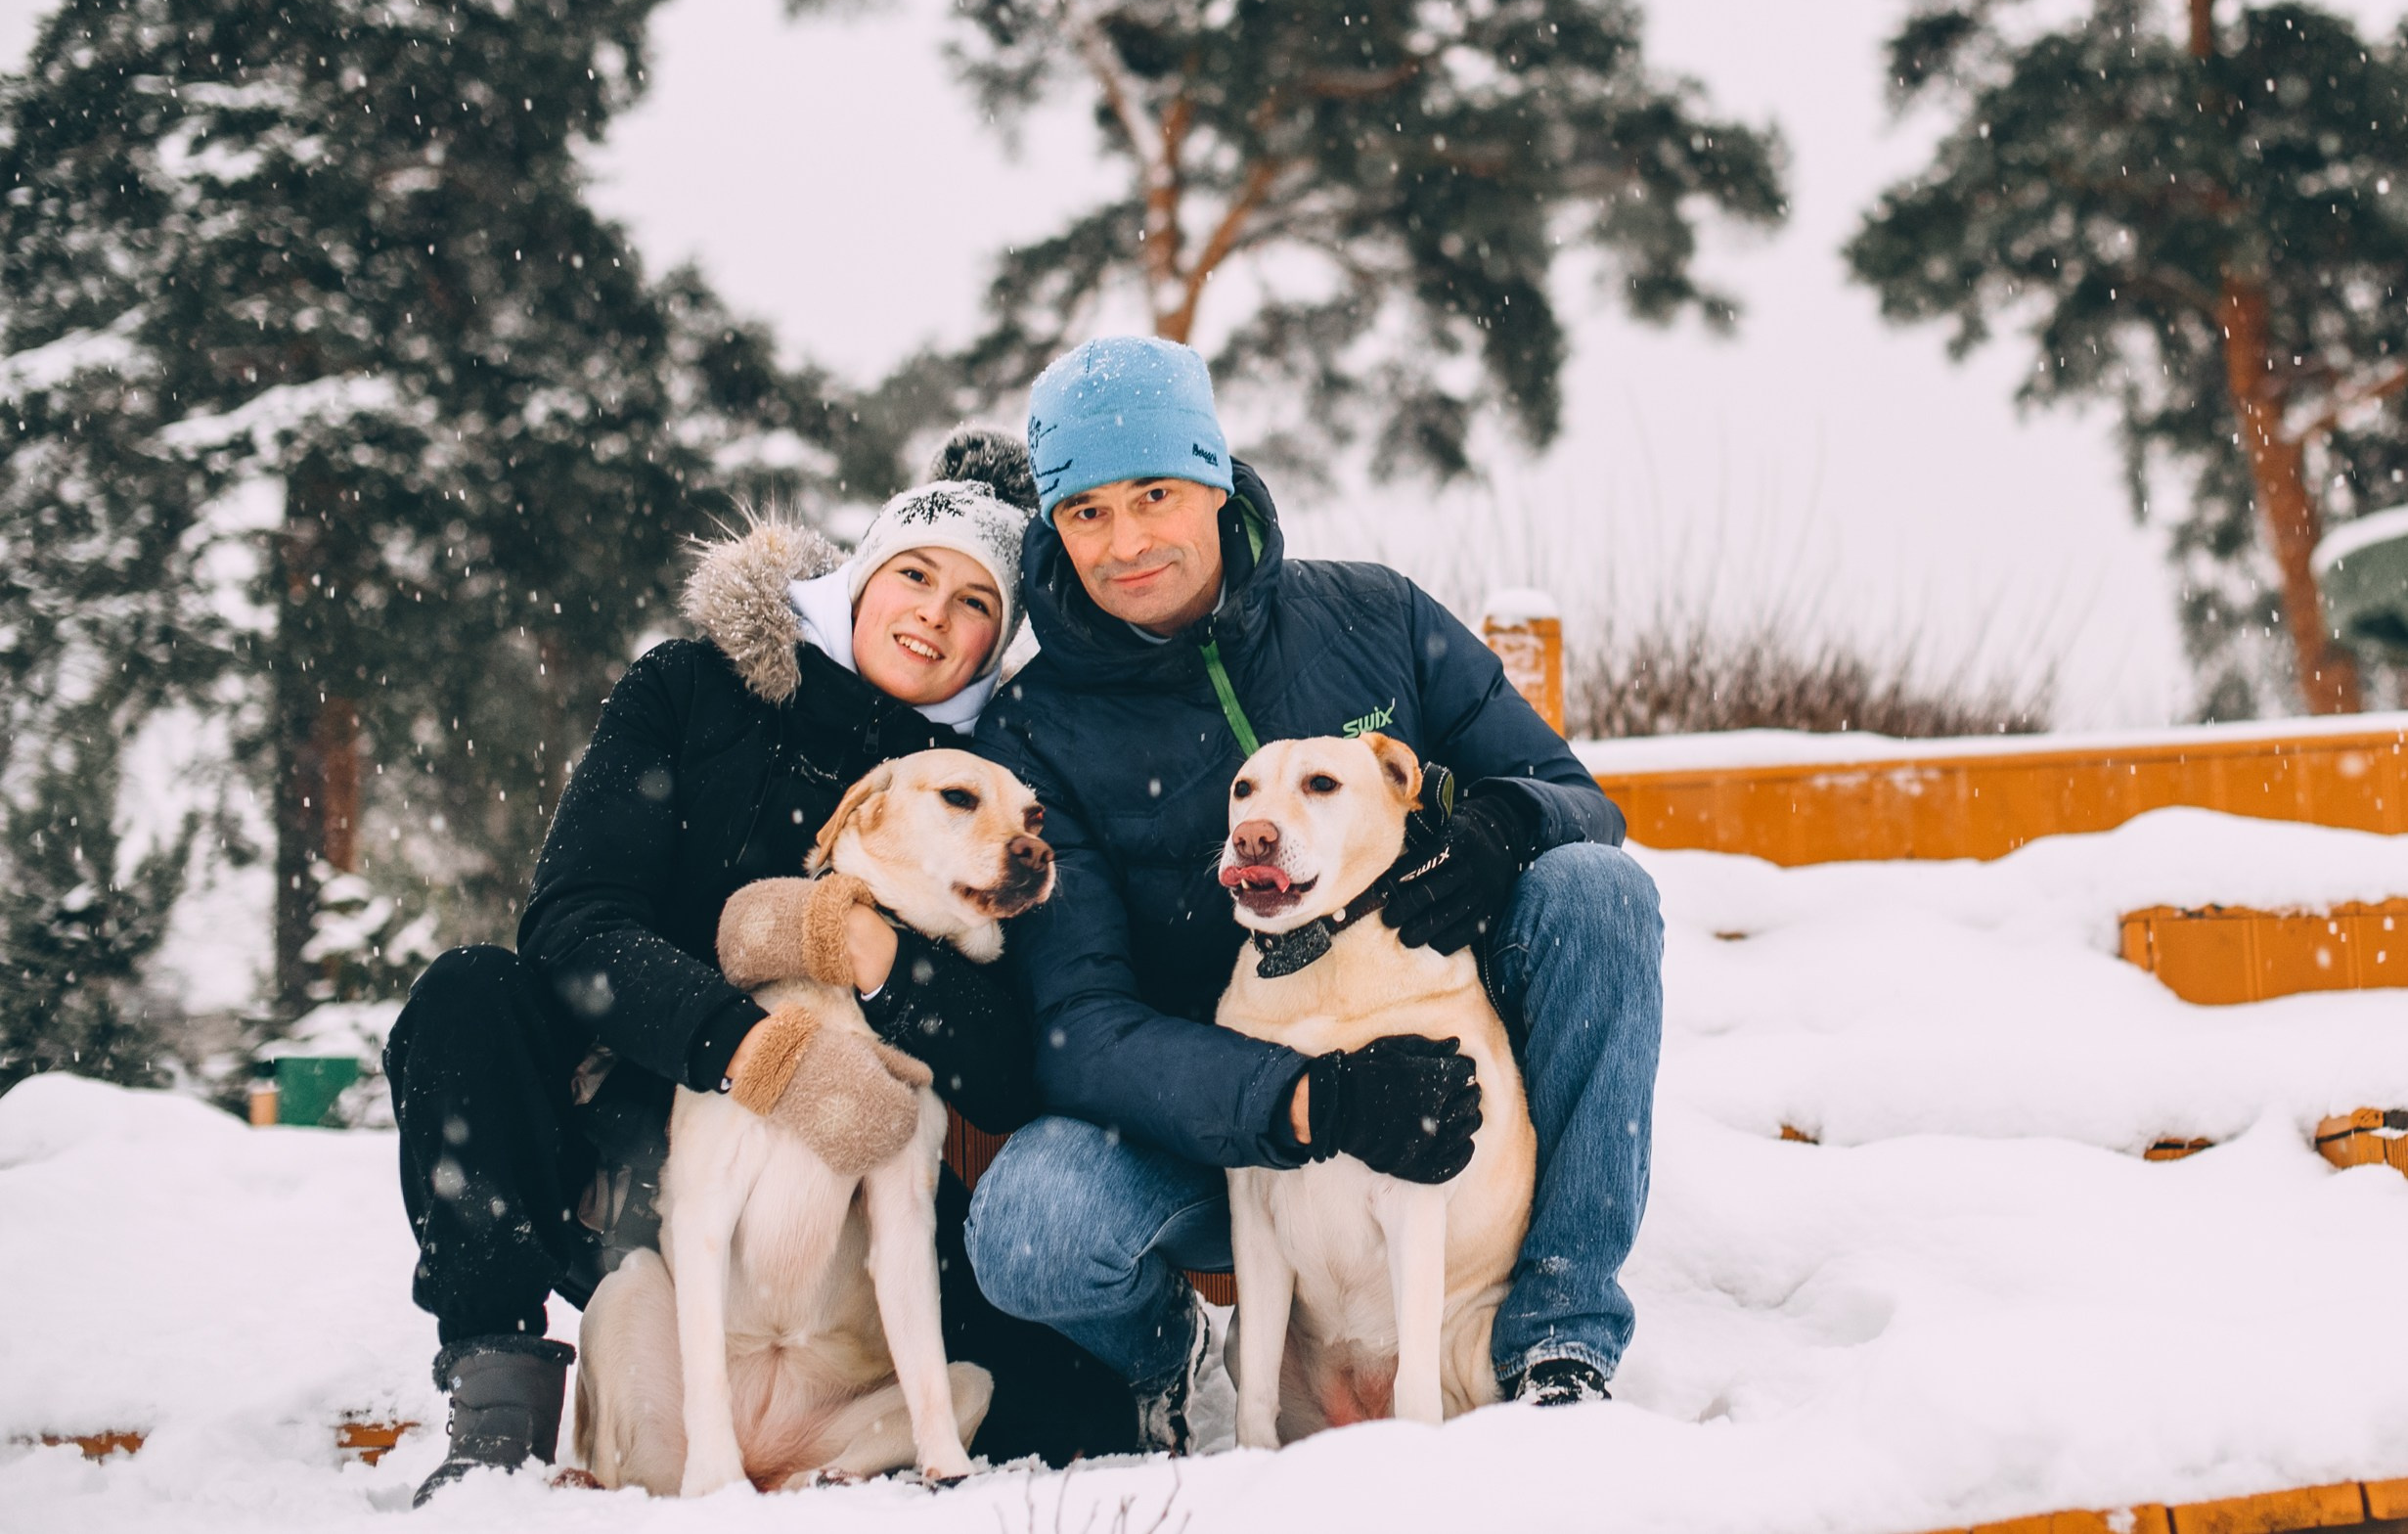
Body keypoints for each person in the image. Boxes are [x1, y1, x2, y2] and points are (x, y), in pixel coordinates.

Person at [381, 429, 1126, 1505]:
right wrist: (748, 1049)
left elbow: (1010, 1062)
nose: (933, 614)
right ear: (862, 574)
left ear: (995, 642)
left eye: (976, 602)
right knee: (469, 996)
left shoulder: (985, 786)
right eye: (914, 574)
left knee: (1074, 1415)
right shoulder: (692, 690)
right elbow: (576, 925)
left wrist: (882, 966)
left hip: (854, 1190)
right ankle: (498, 1398)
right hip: (634, 1155)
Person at [965, 339, 1664, 1452]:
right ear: (1054, 523)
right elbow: (1080, 1027)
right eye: (1086, 511)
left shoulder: (1372, 615)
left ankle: (1555, 1338)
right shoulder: (1035, 729)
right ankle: (1167, 1363)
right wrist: (1302, 1099)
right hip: (1215, 1117)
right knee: (1031, 1229)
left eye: (1154, 494)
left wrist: (1500, 827)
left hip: (1437, 1086)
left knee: (1598, 892)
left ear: (1214, 478)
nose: (1126, 541)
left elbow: (1576, 797)